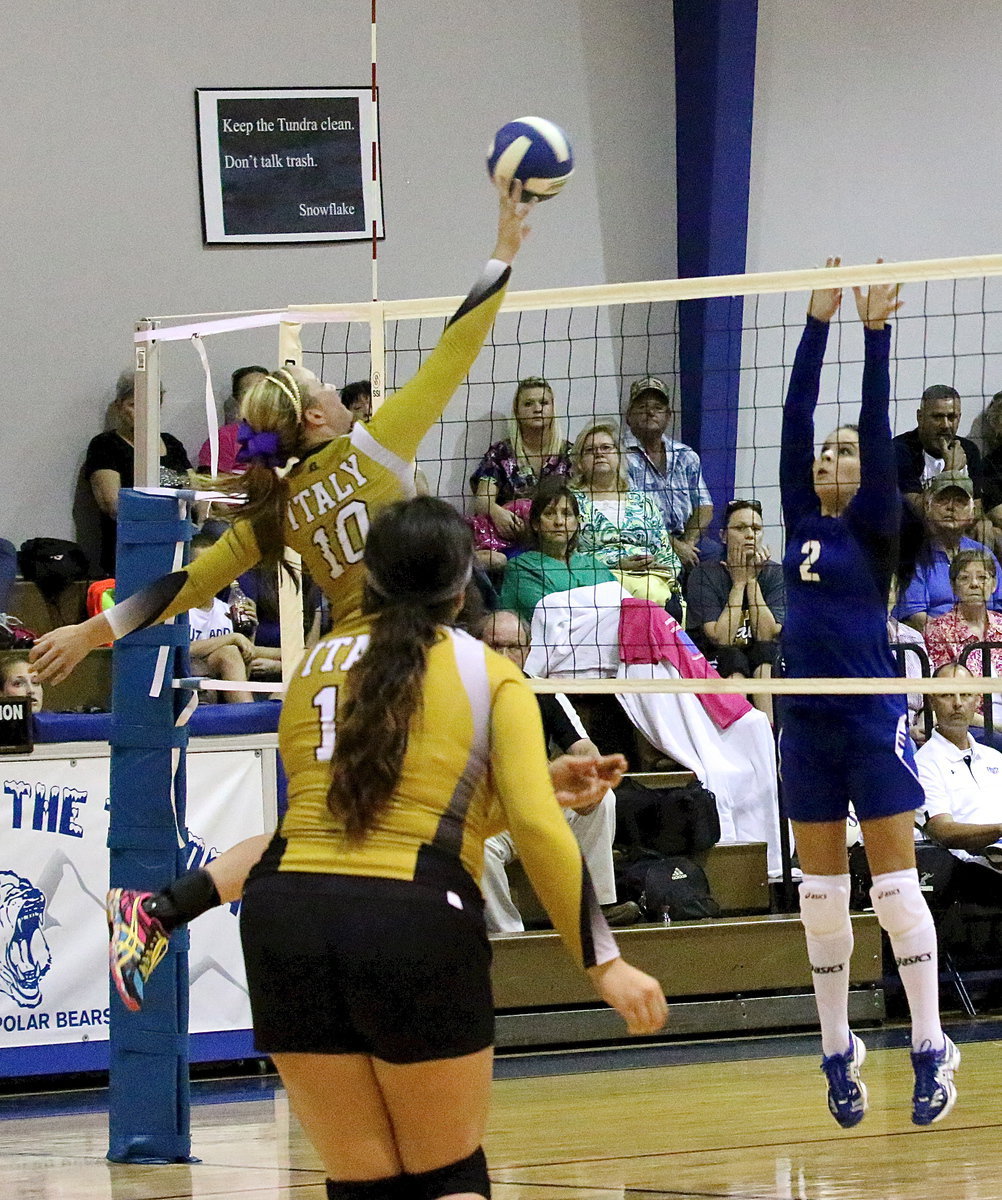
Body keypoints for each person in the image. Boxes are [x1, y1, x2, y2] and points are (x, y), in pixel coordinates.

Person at [32, 183, 627, 1013]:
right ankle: (579, 935)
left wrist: (97, 632)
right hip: (409, 664)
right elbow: (461, 345)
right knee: (399, 822)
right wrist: (504, 247)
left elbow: (181, 584)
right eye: (324, 384)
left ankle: (161, 907)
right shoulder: (378, 449)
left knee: (327, 830)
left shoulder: (276, 508)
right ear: (318, 411)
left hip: (338, 670)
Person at [779, 258, 958, 1129]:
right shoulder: (798, 511)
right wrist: (814, 321)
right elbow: (793, 415)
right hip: (805, 721)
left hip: (868, 714)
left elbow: (874, 419)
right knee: (819, 898)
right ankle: (834, 1050)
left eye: (845, 451)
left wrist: (874, 335)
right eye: (826, 452)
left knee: (891, 891)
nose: (827, 455)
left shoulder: (878, 523)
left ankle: (929, 1045)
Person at [479, 609, 639, 930]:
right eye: (495, 646)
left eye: (513, 647)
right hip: (487, 813)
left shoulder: (541, 690)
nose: (504, 656)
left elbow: (582, 746)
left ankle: (598, 906)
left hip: (537, 807)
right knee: (477, 848)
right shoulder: (458, 694)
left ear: (527, 652)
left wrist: (590, 774)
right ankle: (508, 934)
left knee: (601, 800)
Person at [685, 498, 784, 720]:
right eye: (740, 528)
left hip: (759, 659)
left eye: (756, 528)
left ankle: (768, 733)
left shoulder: (775, 573)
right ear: (723, 536)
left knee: (766, 652)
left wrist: (751, 582)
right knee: (733, 656)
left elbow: (767, 634)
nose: (750, 534)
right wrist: (738, 584)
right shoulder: (703, 574)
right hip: (716, 658)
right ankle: (738, 732)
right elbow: (721, 638)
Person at [84, 371, 193, 574]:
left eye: (151, 405)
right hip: (133, 543)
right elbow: (112, 504)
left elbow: (195, 489)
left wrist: (203, 519)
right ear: (119, 406)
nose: (143, 412)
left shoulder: (171, 443)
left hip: (180, 537)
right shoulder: (106, 445)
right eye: (134, 405)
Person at [570, 422, 682, 612]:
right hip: (596, 583)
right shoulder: (570, 502)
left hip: (651, 579)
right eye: (590, 450)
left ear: (619, 456)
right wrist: (617, 563)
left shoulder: (642, 501)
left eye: (606, 448)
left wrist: (663, 570)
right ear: (580, 462)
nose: (599, 453)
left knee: (658, 594)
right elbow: (565, 555)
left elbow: (665, 551)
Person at [916, 662, 1002, 905]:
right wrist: (999, 830)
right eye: (947, 694)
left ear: (976, 700)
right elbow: (942, 831)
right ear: (932, 701)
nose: (957, 703)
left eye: (964, 694)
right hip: (965, 872)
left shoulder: (995, 757)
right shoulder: (924, 763)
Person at [469, 376, 571, 569]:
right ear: (517, 411)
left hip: (556, 540)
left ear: (552, 408)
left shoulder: (569, 453)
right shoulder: (501, 452)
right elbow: (482, 500)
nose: (537, 408)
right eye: (528, 403)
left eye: (544, 402)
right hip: (509, 541)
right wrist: (496, 512)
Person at [623, 376, 714, 569]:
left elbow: (704, 507)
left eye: (658, 407)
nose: (650, 412)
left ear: (668, 416)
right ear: (628, 416)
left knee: (718, 558)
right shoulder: (619, 457)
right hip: (642, 541)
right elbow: (635, 516)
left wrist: (688, 543)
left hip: (688, 539)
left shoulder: (686, 455)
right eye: (642, 407)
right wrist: (674, 546)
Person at [498, 480, 616, 625]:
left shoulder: (594, 566)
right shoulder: (521, 567)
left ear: (577, 522)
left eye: (567, 514)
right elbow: (549, 615)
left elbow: (620, 607)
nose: (559, 522)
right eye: (549, 513)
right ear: (535, 524)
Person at [896, 471, 1002, 630]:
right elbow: (915, 617)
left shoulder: (984, 554)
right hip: (931, 646)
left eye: (960, 501)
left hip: (984, 645)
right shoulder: (914, 554)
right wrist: (957, 638)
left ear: (972, 512)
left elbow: (998, 609)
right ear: (927, 507)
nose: (951, 507)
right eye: (942, 500)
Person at [923, 548, 1002, 740]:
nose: (974, 584)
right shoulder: (939, 630)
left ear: (994, 584)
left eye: (982, 577)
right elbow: (948, 700)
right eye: (965, 578)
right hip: (973, 723)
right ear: (953, 586)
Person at [893, 383, 984, 513]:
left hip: (957, 529)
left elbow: (976, 507)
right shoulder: (900, 450)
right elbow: (917, 511)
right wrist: (950, 471)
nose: (945, 425)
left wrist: (981, 521)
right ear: (920, 417)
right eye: (937, 417)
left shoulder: (969, 449)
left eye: (952, 417)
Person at [197, 365, 269, 475]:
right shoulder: (225, 438)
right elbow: (212, 485)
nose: (261, 397)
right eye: (252, 392)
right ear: (238, 400)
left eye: (266, 390)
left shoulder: (289, 435)